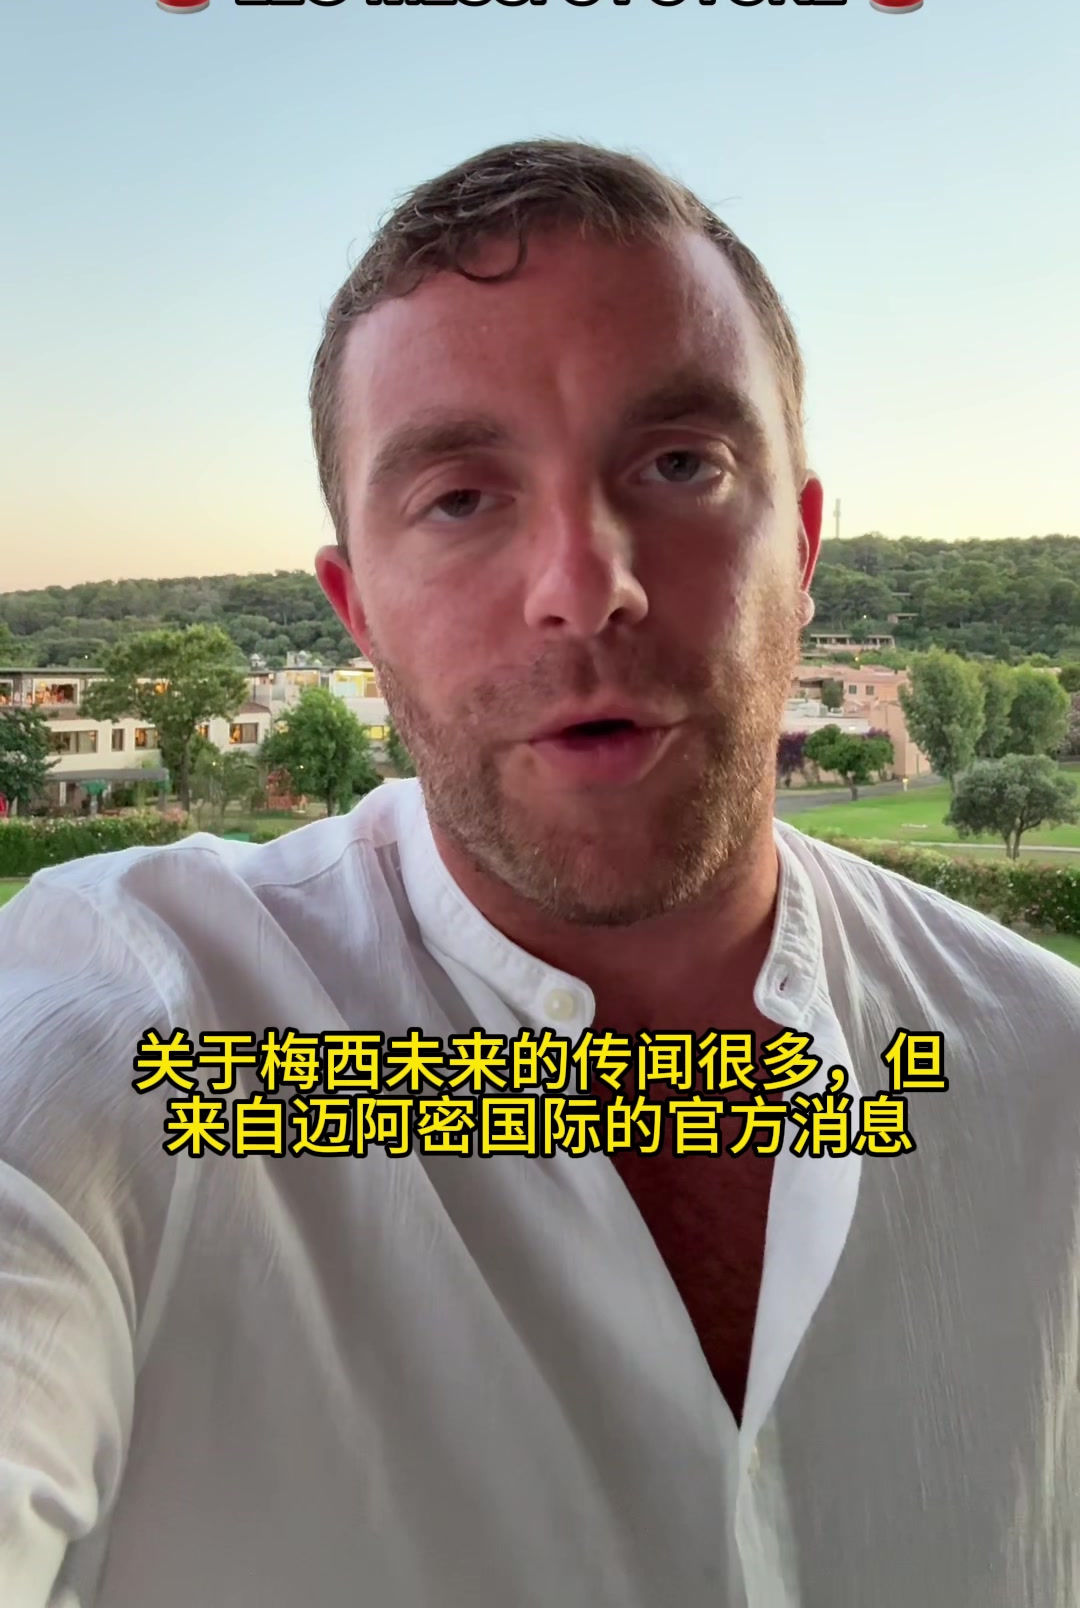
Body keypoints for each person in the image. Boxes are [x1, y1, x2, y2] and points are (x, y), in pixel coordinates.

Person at [1, 139, 1078, 1608]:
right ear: (357, 611)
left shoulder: (1047, 1074)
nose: (587, 584)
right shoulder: (138, 1029)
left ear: (804, 544)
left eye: (681, 464)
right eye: (459, 497)